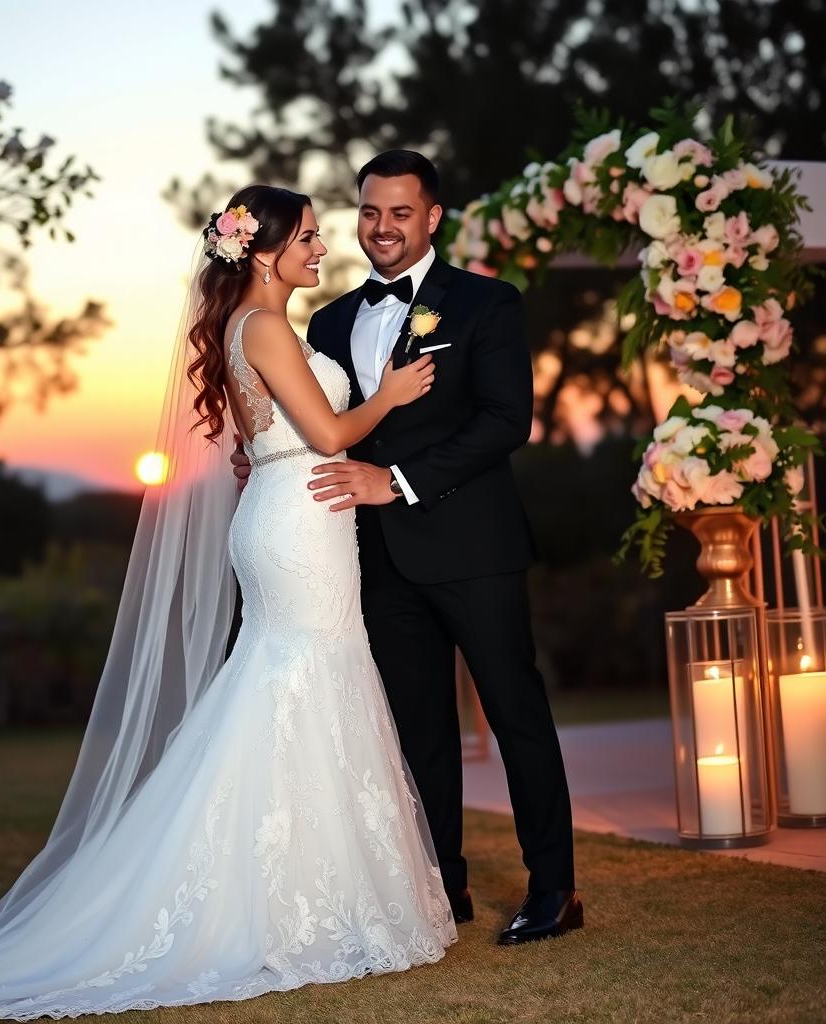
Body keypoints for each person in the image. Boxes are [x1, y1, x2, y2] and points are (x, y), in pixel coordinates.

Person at [0, 184, 456, 1023]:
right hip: (300, 520)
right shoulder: (262, 326)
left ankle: (299, 888)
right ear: (261, 251)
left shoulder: (251, 328)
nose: (321, 246)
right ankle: (288, 902)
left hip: (291, 515)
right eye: (307, 235)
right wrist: (391, 396)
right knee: (300, 679)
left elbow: (271, 439)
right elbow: (329, 436)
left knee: (283, 683)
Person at [232, 151, 582, 946]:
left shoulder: (489, 305)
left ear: (432, 218)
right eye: (369, 213)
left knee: (516, 713)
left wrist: (398, 482)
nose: (381, 228)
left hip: (474, 545)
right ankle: (440, 885)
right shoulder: (325, 321)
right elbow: (305, 424)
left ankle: (554, 888)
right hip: (373, 558)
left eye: (399, 213)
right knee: (413, 727)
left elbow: (504, 422)